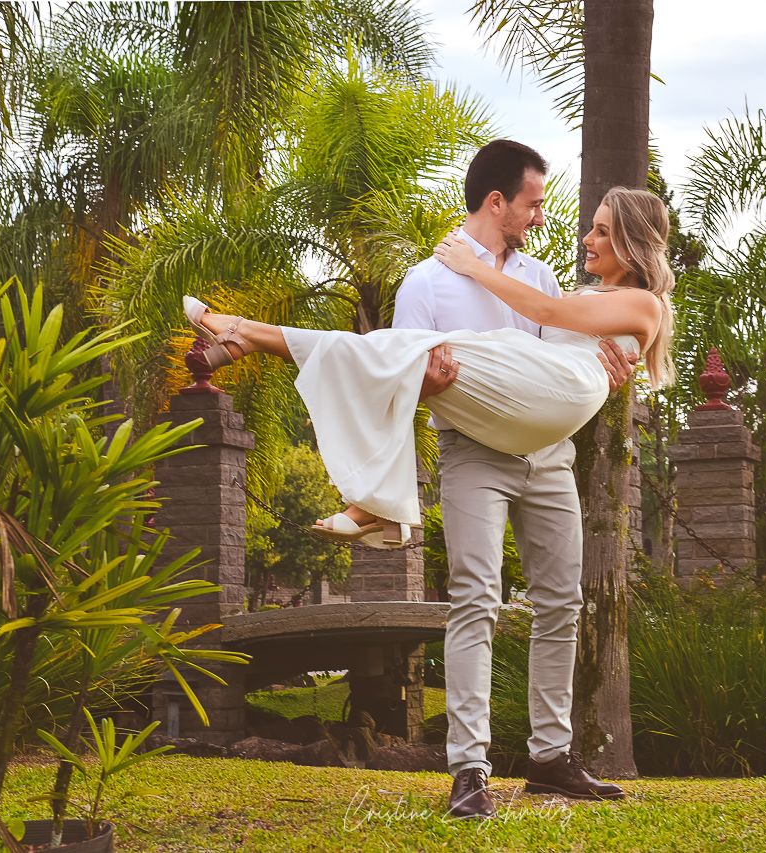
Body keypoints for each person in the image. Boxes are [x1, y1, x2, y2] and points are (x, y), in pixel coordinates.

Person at [183, 153, 674, 818]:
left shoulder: (544, 277)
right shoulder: (427, 279)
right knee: (475, 595)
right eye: (532, 203)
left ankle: (551, 757)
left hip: (547, 449)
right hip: (475, 443)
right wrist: (428, 375)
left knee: (562, 603)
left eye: (598, 228)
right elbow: (404, 372)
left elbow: (555, 338)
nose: (547, 220)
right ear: (497, 201)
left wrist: (608, 355)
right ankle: (469, 766)